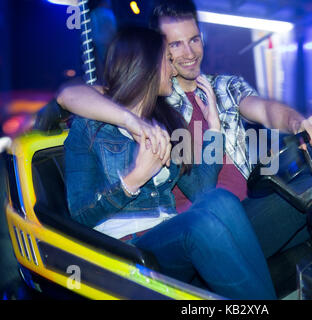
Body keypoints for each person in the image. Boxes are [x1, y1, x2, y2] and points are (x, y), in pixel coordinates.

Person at [58, 0, 312, 259]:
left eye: (194, 39)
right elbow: (70, 95)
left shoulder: (222, 87)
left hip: (248, 208)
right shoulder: (151, 105)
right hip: (201, 225)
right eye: (175, 45)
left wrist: (297, 122)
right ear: (157, 54)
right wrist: (133, 121)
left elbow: (264, 108)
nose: (188, 53)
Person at [64, 27, 276, 300]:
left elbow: (202, 190)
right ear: (147, 66)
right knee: (200, 227)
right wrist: (133, 181)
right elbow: (79, 215)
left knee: (222, 201)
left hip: (167, 240)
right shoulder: (89, 128)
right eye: (167, 59)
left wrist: (214, 126)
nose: (173, 69)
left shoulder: (167, 125)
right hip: (125, 251)